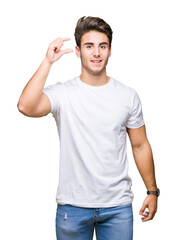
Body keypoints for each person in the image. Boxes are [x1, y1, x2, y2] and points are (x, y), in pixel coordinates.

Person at [17, 16, 159, 240]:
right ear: (77, 51)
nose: (96, 53)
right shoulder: (63, 93)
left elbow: (140, 145)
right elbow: (25, 106)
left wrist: (152, 191)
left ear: (110, 51)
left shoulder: (127, 96)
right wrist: (48, 61)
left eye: (102, 46)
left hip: (117, 207)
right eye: (89, 46)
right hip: (72, 207)